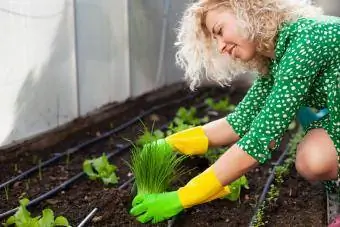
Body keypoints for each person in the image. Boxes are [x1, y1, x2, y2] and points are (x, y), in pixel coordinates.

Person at [130, 0, 340, 225]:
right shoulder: (277, 57)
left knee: (316, 157)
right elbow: (238, 123)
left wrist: (183, 197)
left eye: (219, 31)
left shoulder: (306, 42)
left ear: (247, 11)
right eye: (215, 39)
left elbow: (260, 141)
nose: (220, 46)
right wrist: (171, 144)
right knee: (313, 158)